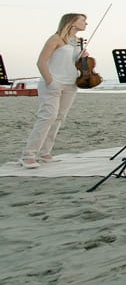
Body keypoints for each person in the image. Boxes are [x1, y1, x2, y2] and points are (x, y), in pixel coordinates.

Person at [20, 13, 90, 168]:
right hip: (53, 83)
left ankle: (45, 153)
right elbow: (41, 62)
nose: (86, 23)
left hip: (71, 84)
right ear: (72, 22)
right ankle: (28, 155)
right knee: (47, 117)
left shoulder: (78, 42)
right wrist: (50, 81)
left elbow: (73, 63)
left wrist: (83, 57)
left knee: (59, 117)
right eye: (83, 20)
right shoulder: (56, 38)